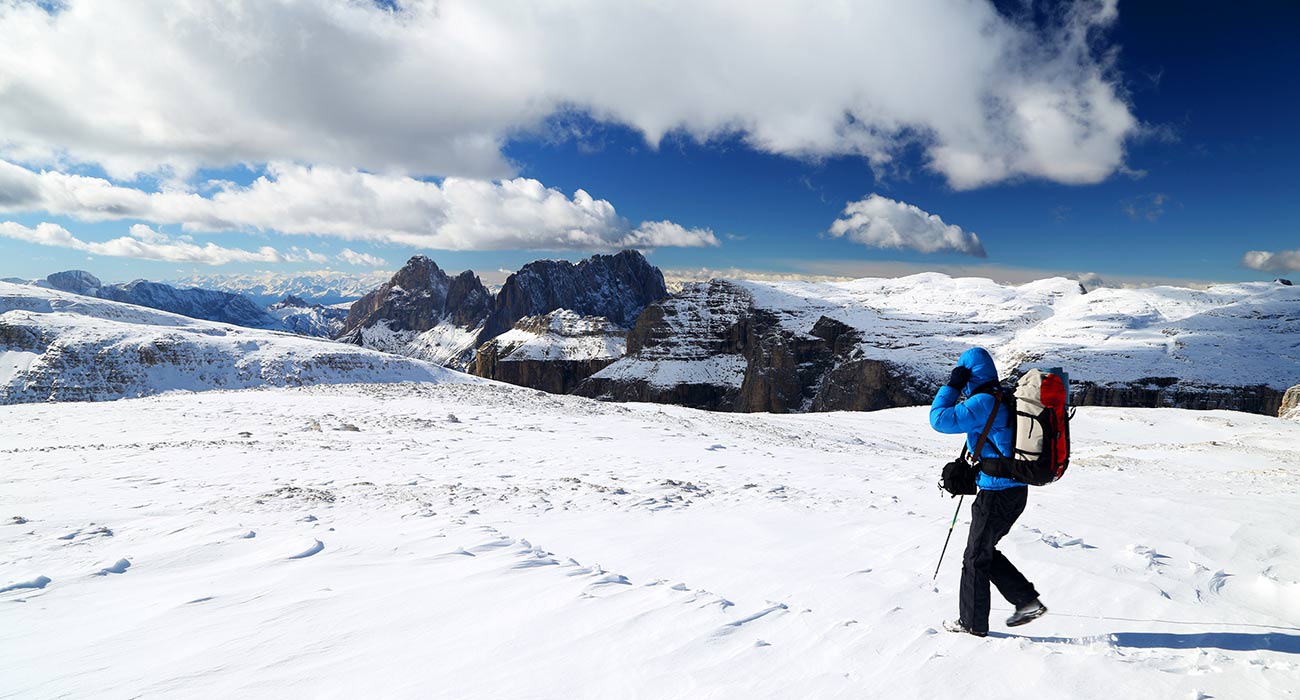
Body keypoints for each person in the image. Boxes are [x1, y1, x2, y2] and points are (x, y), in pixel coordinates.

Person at [929, 347, 1046, 636]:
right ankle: (1026, 601)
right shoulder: (1003, 396)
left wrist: (952, 385)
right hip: (1014, 491)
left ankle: (972, 624)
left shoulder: (982, 402)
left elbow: (939, 420)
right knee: (982, 552)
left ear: (968, 374)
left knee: (974, 558)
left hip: (996, 494)